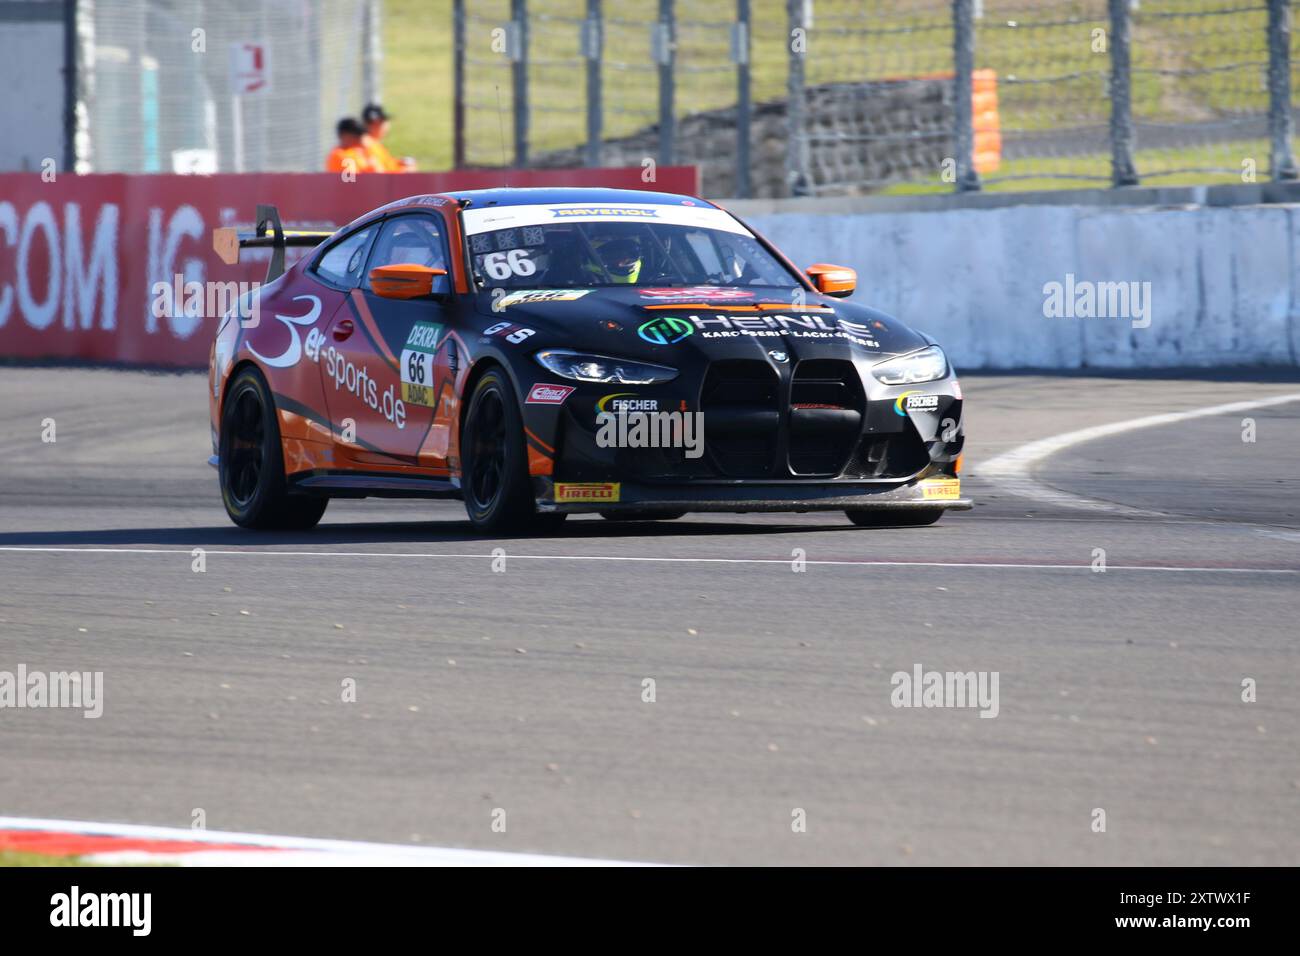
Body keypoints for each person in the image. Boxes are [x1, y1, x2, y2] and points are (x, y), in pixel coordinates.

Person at [361, 103, 414, 172]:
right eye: (382, 122)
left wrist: (399, 163)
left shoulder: (374, 144)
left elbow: (386, 164)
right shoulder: (366, 145)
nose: (386, 126)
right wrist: (405, 171)